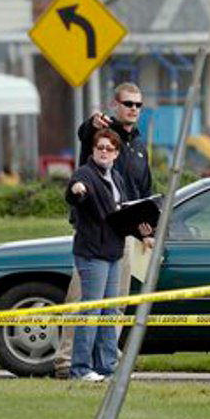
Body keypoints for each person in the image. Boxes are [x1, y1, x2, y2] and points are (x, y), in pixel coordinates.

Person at [54, 82, 154, 379]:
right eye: (128, 104)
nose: (133, 109)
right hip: (94, 239)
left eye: (138, 105)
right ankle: (68, 363)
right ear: (115, 104)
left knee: (115, 306)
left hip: (123, 236)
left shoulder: (137, 145)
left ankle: (106, 363)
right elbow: (86, 136)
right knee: (84, 305)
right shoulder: (100, 133)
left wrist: (146, 230)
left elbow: (143, 191)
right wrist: (90, 124)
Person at [65, 129, 149, 381]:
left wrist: (142, 232)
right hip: (92, 253)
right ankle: (80, 369)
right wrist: (76, 190)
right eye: (100, 147)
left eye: (109, 148)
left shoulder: (116, 177)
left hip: (114, 252)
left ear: (116, 153)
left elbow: (121, 214)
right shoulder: (85, 174)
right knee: (91, 311)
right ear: (93, 150)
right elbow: (73, 193)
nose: (104, 152)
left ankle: (106, 367)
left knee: (111, 311)